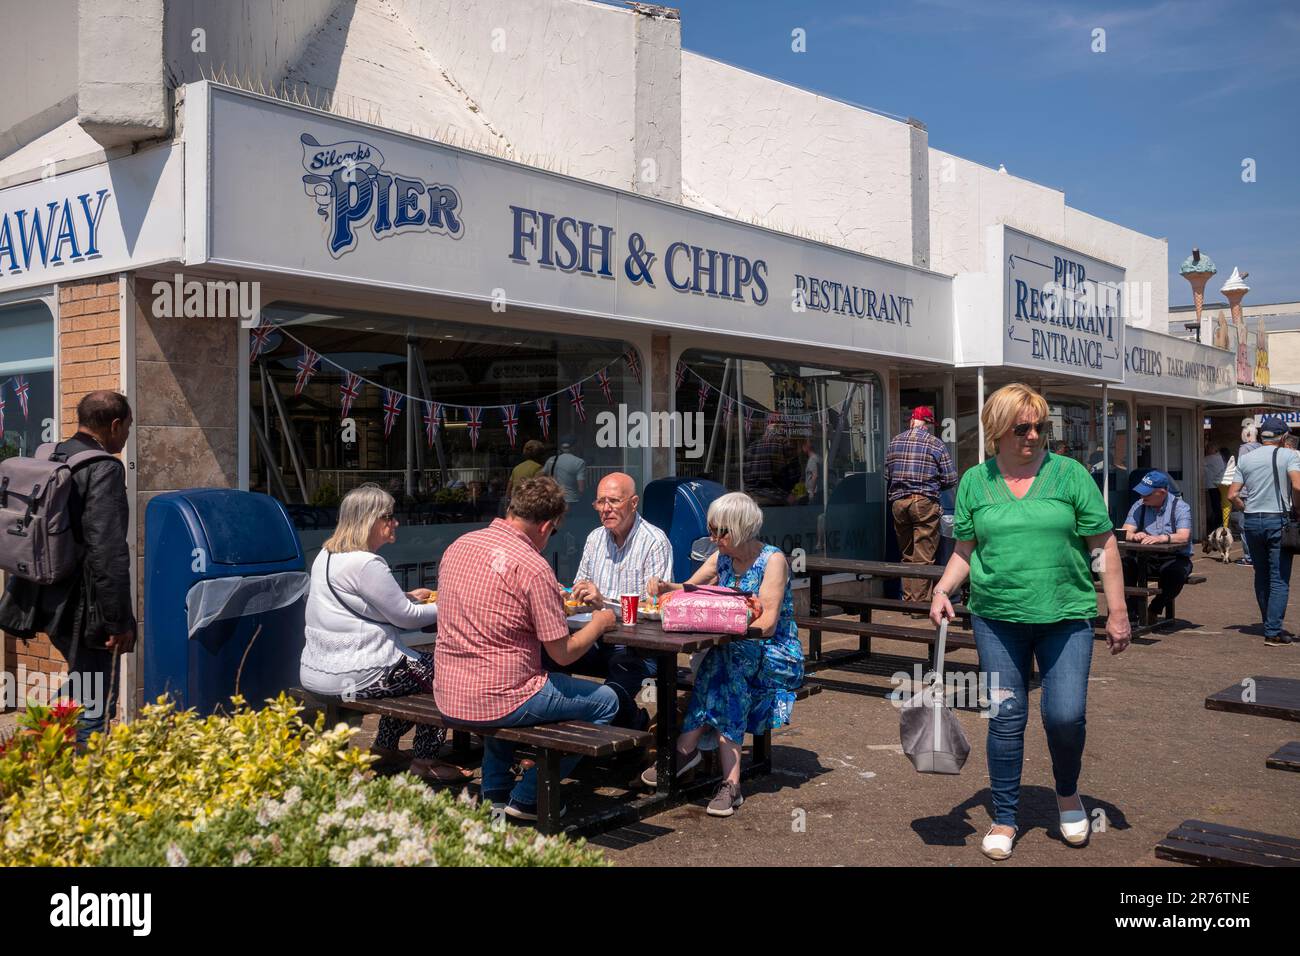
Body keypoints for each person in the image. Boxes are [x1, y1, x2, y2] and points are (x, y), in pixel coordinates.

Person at [929, 383, 1129, 861]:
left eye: (1041, 426)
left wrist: (1117, 611)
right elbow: (965, 550)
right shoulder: (976, 482)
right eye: (1023, 427)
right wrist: (942, 589)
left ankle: (1066, 793)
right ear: (998, 430)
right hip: (997, 619)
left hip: (1067, 616)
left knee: (1065, 716)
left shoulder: (1070, 475)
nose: (1034, 435)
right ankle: (1004, 815)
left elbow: (1103, 545)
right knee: (1005, 717)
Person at [434, 476, 620, 821]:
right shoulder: (533, 567)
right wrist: (600, 623)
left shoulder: (458, 546)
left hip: (449, 692)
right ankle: (530, 796)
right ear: (548, 525)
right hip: (498, 697)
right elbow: (563, 652)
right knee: (605, 700)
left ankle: (495, 792)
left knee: (510, 682)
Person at [643, 492, 804, 817]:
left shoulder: (772, 561)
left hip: (777, 652)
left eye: (721, 532)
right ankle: (730, 784)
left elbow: (769, 624)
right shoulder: (722, 558)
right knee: (726, 669)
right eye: (712, 530)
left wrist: (724, 619)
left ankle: (685, 748)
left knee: (724, 663)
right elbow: (689, 589)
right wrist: (664, 587)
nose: (714, 538)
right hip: (733, 652)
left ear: (742, 529)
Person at [301, 483, 469, 783]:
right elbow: (407, 619)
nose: (396, 522)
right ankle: (424, 760)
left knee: (414, 668)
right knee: (445, 671)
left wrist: (403, 595)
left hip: (319, 670)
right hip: (356, 673)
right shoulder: (367, 563)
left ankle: (386, 747)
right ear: (370, 520)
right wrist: (453, 604)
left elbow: (360, 601)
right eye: (389, 516)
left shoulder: (327, 555)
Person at [0, 390, 137, 745]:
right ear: (115, 424)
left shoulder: (55, 454)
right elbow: (108, 552)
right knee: (97, 703)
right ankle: (85, 787)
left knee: (82, 684)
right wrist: (118, 620)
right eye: (127, 429)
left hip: (42, 594)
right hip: (83, 606)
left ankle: (33, 742)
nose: (126, 438)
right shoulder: (103, 468)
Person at [565, 472, 673, 729]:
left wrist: (604, 604)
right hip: (595, 638)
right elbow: (580, 589)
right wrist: (570, 595)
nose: (605, 509)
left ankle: (634, 726)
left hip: (637, 647)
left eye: (613, 501)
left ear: (634, 503)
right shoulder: (595, 538)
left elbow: (655, 609)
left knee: (615, 685)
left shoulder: (654, 541)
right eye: (600, 502)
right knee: (549, 659)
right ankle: (554, 734)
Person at [1227, 416, 1300, 646]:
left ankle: (1269, 623)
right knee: (1279, 578)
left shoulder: (1247, 458)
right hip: (1278, 520)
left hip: (1252, 521)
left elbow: (1232, 495)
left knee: (1261, 575)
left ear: (1261, 436)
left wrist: (1245, 507)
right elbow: (1297, 485)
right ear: (1284, 437)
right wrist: (1296, 508)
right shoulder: (1289, 455)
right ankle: (1273, 631)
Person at [884, 405, 958, 603]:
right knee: (924, 556)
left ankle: (908, 600)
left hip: (899, 502)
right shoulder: (936, 444)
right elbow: (951, 479)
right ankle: (919, 603)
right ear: (927, 424)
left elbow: (886, 475)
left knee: (907, 554)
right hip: (924, 502)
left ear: (911, 421)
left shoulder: (895, 442)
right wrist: (933, 485)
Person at [1119, 471, 1192, 622]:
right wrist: (1134, 536)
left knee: (1176, 573)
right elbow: (1124, 531)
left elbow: (1184, 536)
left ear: (1162, 492)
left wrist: (1161, 538)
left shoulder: (1180, 507)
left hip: (1173, 557)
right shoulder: (1139, 505)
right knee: (1124, 565)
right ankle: (1131, 612)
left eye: (1147, 493)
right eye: (1141, 492)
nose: (1142, 497)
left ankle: (1154, 609)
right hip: (1145, 557)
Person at [743, 421, 799, 506]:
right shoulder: (786, 444)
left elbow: (745, 473)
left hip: (753, 498)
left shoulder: (751, 446)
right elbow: (794, 474)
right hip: (777, 497)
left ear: (766, 432)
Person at [542, 440, 586, 504]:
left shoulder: (551, 460)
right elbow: (581, 488)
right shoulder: (579, 462)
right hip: (572, 500)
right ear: (573, 448)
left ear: (561, 448)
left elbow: (541, 477)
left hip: (555, 499)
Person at [1202, 446, 1229, 545]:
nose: (1207, 451)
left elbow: (1199, 461)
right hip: (1219, 484)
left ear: (1213, 449)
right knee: (1219, 504)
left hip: (1213, 485)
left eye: (1208, 449)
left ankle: (1217, 525)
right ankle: (1220, 524)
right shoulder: (1220, 458)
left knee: (1216, 505)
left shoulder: (1212, 458)